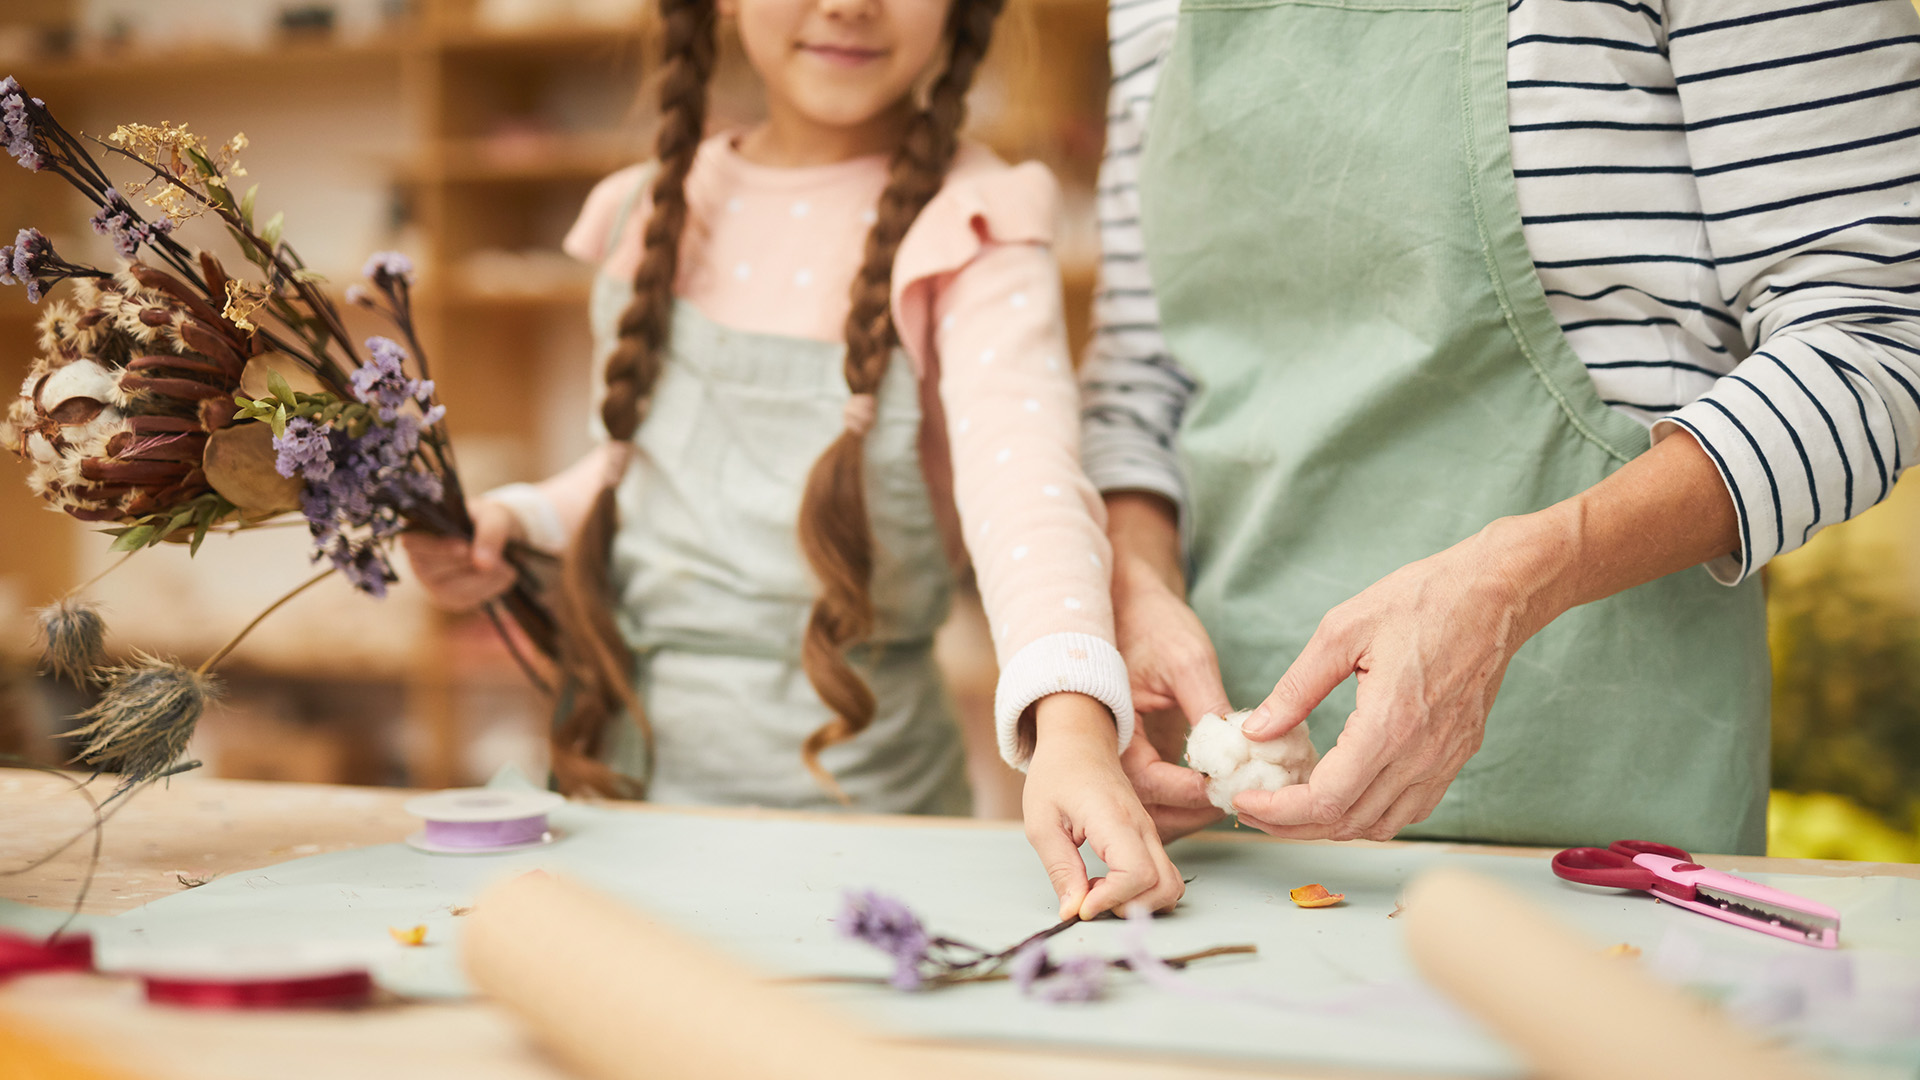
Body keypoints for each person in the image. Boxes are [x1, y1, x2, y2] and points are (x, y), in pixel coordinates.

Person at [402, 0, 1182, 919]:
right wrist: (518, 521)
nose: (849, 4)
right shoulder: (645, 208)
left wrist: (1074, 725)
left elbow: (1026, 485)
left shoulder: (973, 223)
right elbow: (637, 474)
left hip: (871, 822)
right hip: (623, 799)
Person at [1085, 0, 1920, 855]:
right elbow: (1142, 385)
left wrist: (1513, 586)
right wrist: (1135, 586)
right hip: (1229, 829)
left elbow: (1875, 337)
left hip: (1606, 794)